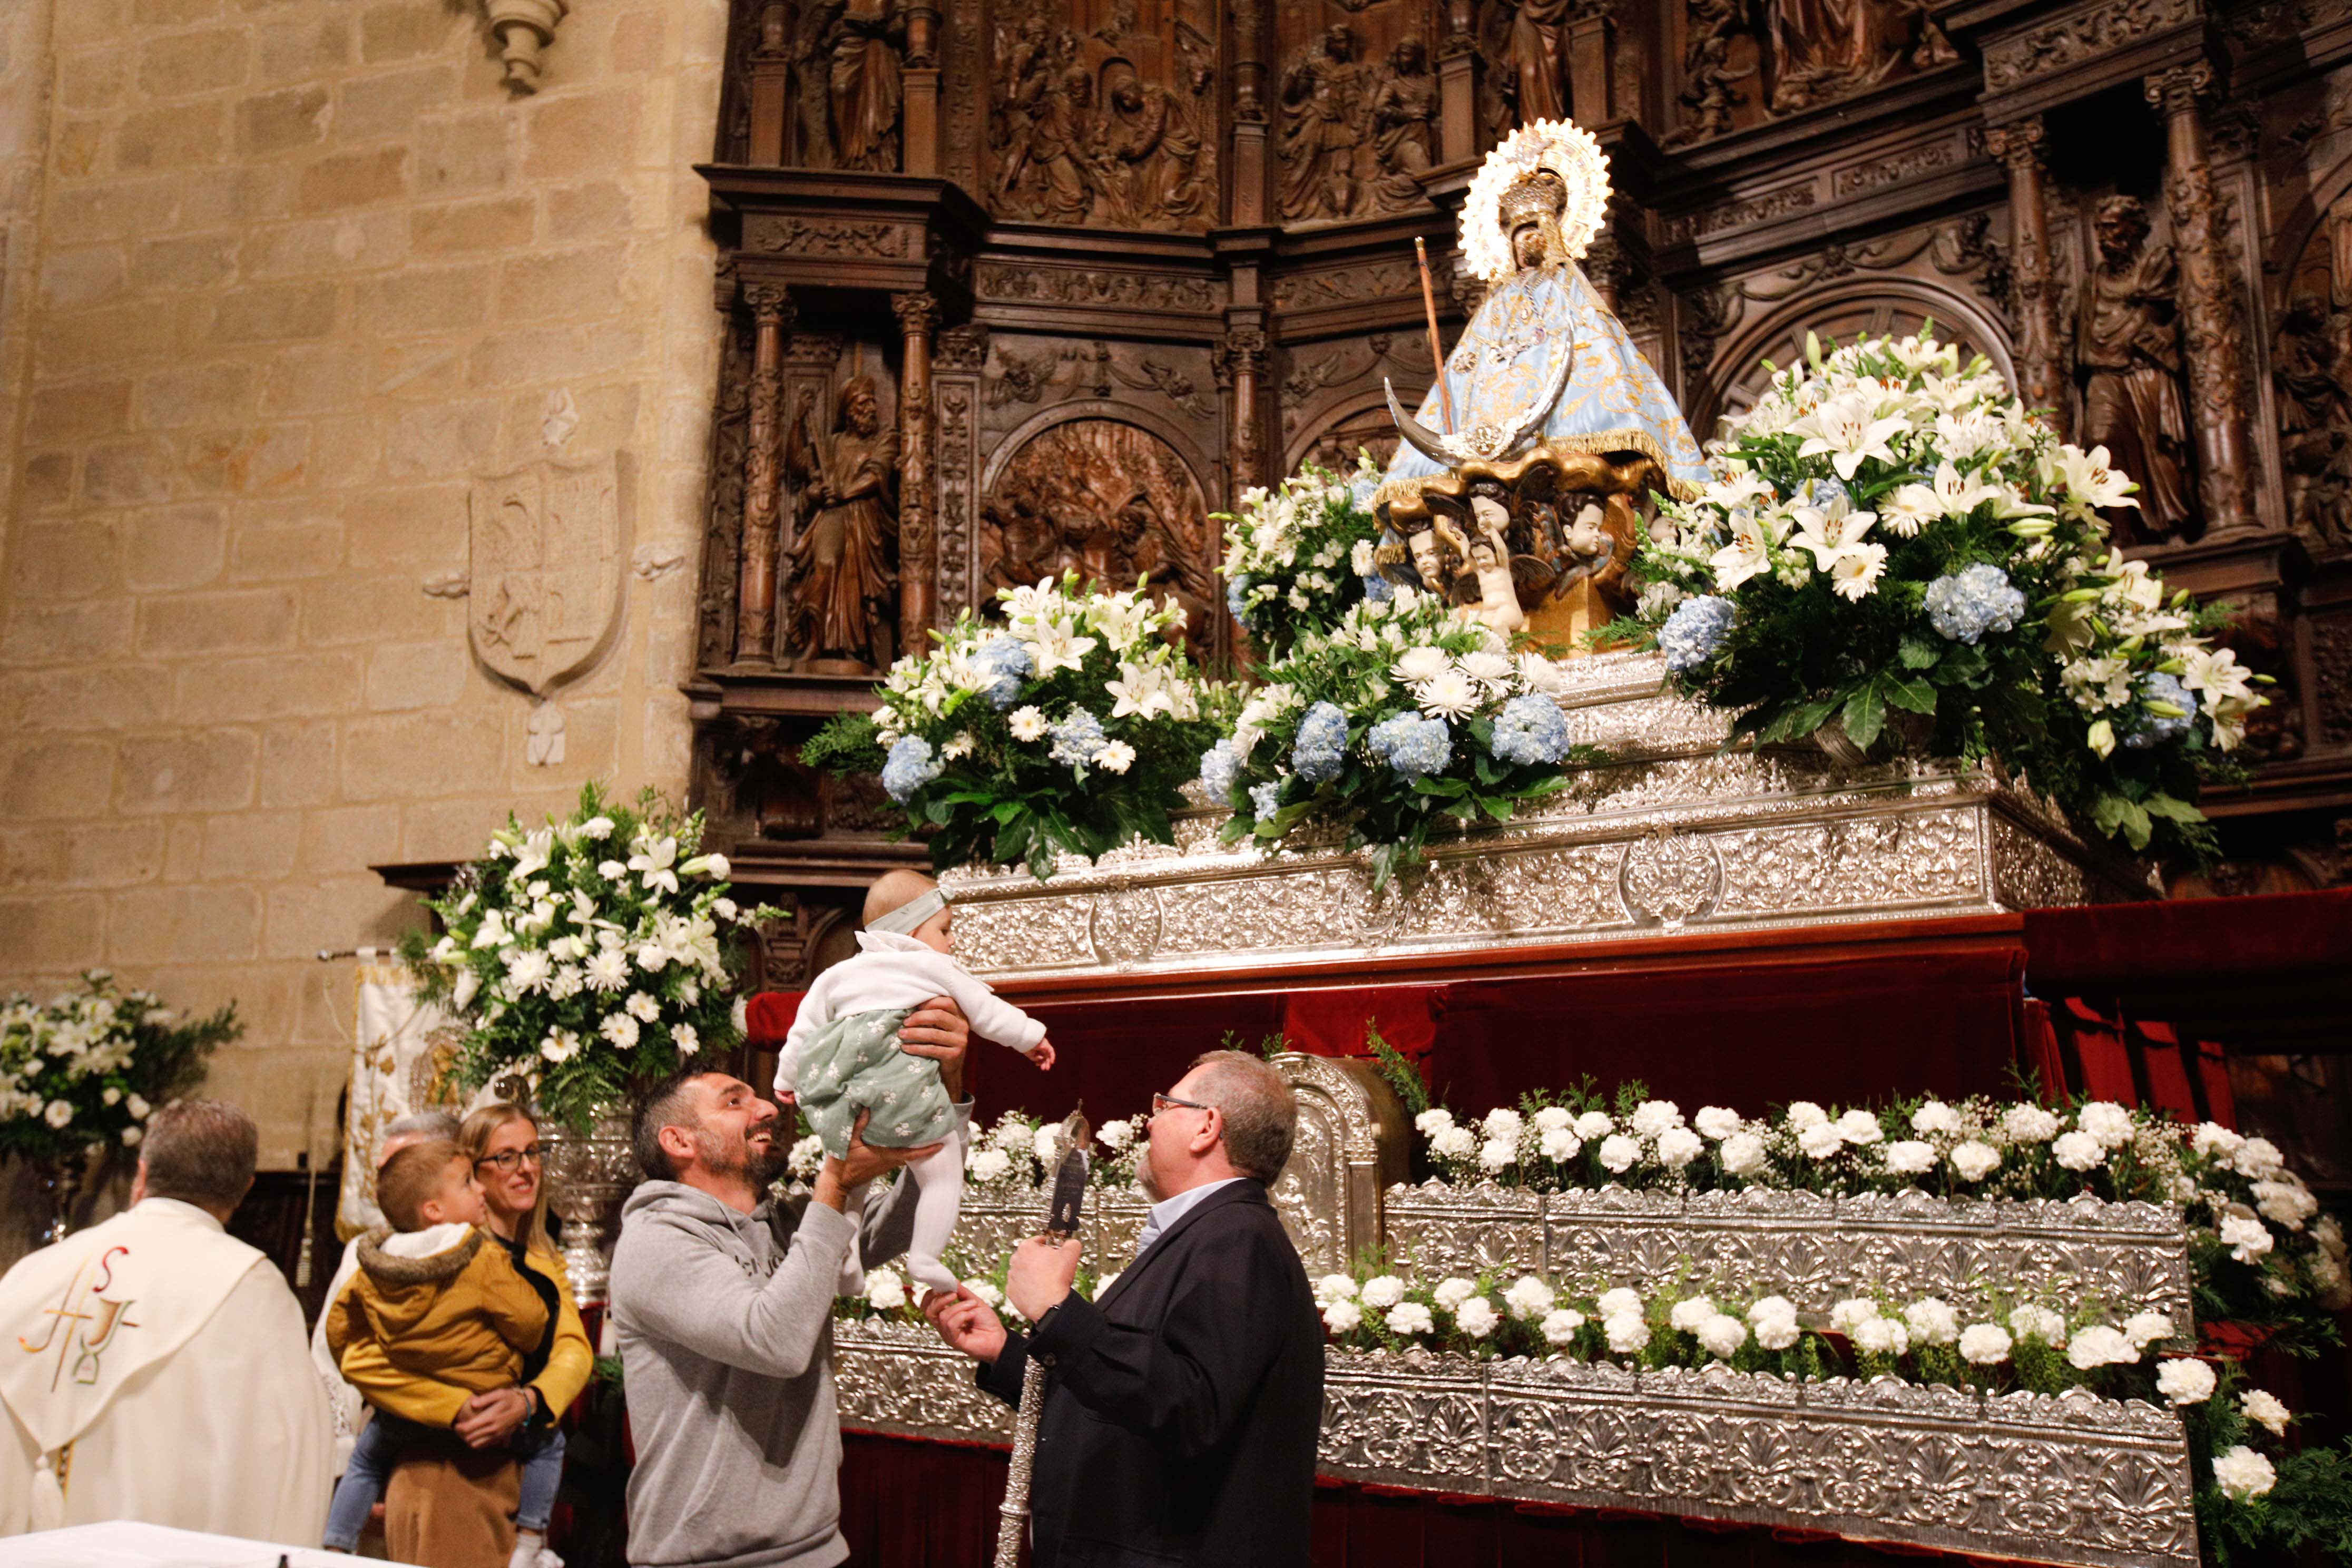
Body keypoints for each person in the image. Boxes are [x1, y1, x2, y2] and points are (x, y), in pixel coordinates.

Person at [925, 1051, 1324, 1568]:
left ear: (1207, 1127)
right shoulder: (1208, 1233)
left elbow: (1189, 1410)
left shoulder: (1237, 1238)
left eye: (1164, 1105)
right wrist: (1006, 1351)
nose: (1150, 1120)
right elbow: (1126, 1401)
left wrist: (1058, 1311)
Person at [610, 1032, 967, 1568]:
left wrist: (945, 1081)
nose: (766, 1108)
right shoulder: (656, 1242)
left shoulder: (786, 1221)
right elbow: (774, 1342)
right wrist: (834, 1185)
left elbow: (902, 1221)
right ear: (679, 1142)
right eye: (735, 1101)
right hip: (707, 1560)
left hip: (818, 1547)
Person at [0, 1100, 330, 1542]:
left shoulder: (34, 1273)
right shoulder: (250, 1289)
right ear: (244, 1190)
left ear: (142, 1174)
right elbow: (290, 1456)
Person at [775, 869, 1053, 1294]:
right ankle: (924, 1257)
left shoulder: (835, 976)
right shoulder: (933, 966)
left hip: (849, 1101)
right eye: (945, 929)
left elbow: (804, 1032)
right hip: (908, 1096)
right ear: (911, 928)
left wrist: (787, 1077)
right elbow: (987, 1011)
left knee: (851, 1183)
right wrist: (1032, 1038)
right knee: (941, 1174)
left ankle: (847, 1259)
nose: (952, 941)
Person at [338, 1103, 592, 1568]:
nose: (527, 1168)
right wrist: (454, 1407)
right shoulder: (432, 1261)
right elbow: (359, 1357)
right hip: (444, 1470)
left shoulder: (539, 1259)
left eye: (534, 1152)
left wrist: (529, 1401)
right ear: (471, 1172)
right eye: (507, 1157)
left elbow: (572, 1350)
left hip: (512, 1467)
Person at [313, 1108, 464, 1468]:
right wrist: (339, 1456)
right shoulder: (363, 1252)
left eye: (399, 1169)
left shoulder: (481, 1252)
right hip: (373, 1440)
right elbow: (327, 1359)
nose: (386, 1187)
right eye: (382, 1172)